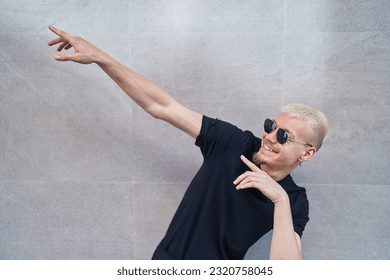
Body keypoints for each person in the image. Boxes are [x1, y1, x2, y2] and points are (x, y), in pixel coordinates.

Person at [48, 25, 329, 260]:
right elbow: (162, 105)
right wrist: (101, 58)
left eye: (283, 135)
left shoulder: (294, 200)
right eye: (271, 126)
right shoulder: (233, 143)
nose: (269, 136)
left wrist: (278, 199)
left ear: (307, 153)